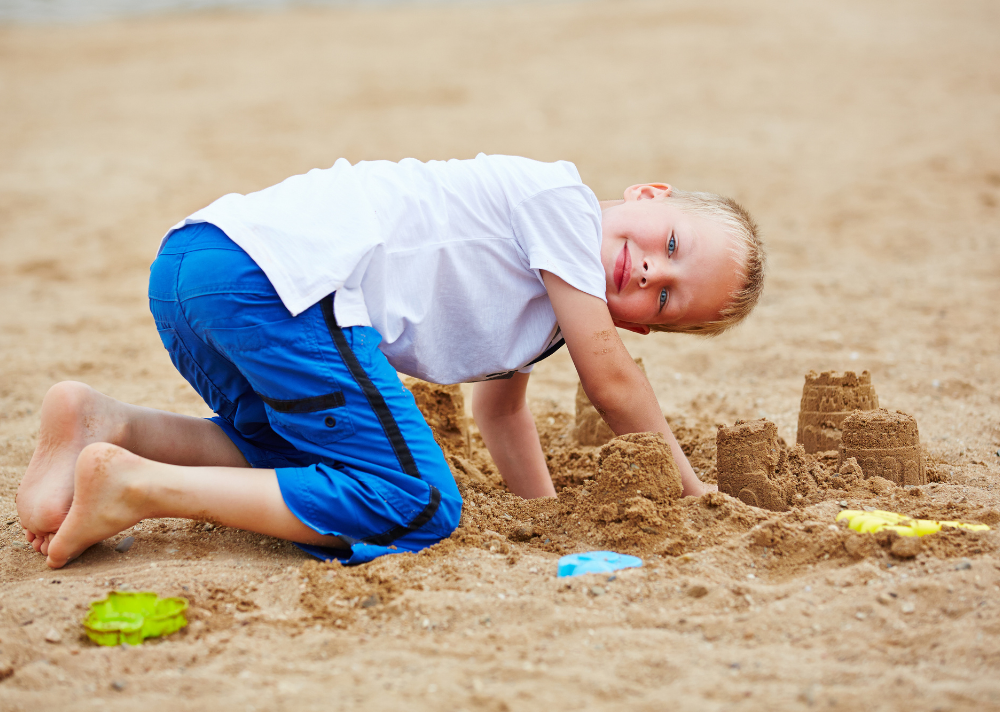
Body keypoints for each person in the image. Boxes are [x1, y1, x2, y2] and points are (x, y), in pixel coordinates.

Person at [15, 154, 765, 569]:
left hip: (194, 268)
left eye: (665, 300)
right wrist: (689, 491)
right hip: (272, 281)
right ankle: (141, 488)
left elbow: (500, 411)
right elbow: (611, 382)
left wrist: (541, 513)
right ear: (648, 193)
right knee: (417, 501)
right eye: (669, 243)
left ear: (646, 326)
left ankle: (106, 427)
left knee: (296, 458)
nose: (646, 274)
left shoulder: (551, 311)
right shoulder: (561, 203)